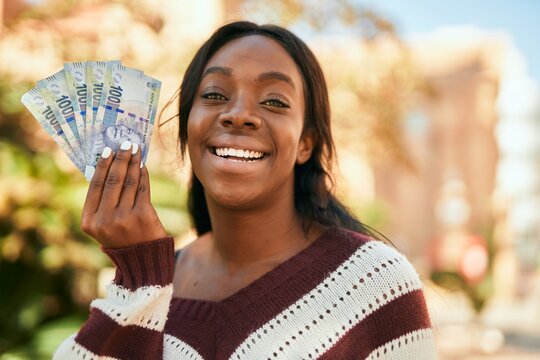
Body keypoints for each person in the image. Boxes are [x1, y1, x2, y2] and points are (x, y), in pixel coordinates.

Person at [54, 21, 436, 359]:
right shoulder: (146, 281)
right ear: (189, 127)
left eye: (274, 101)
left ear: (306, 142)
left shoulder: (376, 284)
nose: (237, 114)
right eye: (215, 95)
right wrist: (141, 274)